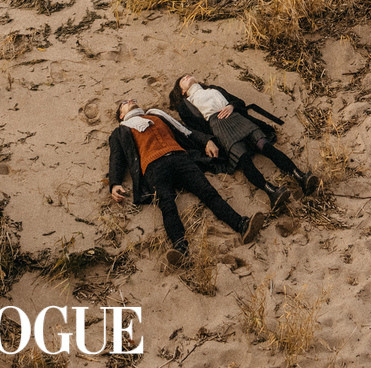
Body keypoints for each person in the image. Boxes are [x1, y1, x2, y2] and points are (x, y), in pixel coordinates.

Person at [108, 97, 266, 266]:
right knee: (167, 204)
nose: (130, 100)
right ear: (120, 115)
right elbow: (116, 158)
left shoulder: (157, 116)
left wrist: (207, 140)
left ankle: (241, 225)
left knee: (208, 192)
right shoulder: (121, 130)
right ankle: (180, 248)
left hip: (180, 158)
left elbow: (185, 130)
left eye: (131, 99)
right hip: (154, 166)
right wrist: (114, 182)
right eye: (124, 103)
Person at [169, 74, 319, 214]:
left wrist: (231, 106)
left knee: (265, 145)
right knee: (243, 158)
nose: (186, 76)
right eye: (182, 79)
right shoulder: (185, 105)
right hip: (219, 127)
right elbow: (194, 129)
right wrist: (208, 141)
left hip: (236, 117)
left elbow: (239, 102)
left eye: (188, 74)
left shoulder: (213, 88)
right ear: (181, 91)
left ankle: (301, 177)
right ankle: (272, 192)